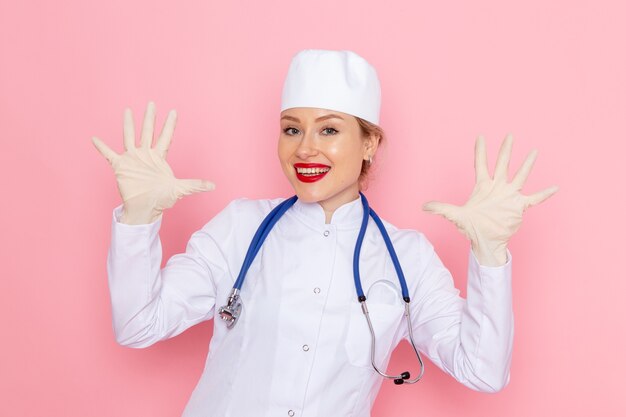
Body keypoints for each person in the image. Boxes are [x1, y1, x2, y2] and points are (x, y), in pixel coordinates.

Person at [91, 49, 558, 417]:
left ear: (369, 143)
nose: (306, 148)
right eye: (291, 129)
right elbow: (138, 325)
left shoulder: (407, 258)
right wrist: (138, 219)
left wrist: (490, 255)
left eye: (329, 129)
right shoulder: (240, 228)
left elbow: (483, 371)